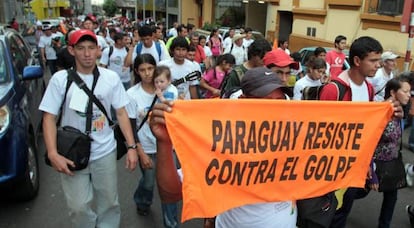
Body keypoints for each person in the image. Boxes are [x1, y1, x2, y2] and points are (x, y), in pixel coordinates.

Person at [149, 67, 297, 228]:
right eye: (265, 102)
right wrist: (164, 143)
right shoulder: (222, 143)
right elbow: (171, 194)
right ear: (243, 100)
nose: (275, 110)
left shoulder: (294, 137)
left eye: (280, 101)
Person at [39, 29, 138, 227]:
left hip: (105, 151)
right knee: (78, 206)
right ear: (71, 50)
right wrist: (52, 153)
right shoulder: (60, 80)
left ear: (98, 50)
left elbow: (121, 113)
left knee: (109, 202)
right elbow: (49, 118)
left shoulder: (110, 78)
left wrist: (132, 147)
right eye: (81, 48)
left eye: (91, 48)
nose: (87, 53)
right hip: (72, 153)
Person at [319, 36, 402, 228]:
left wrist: (384, 114)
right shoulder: (333, 89)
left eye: (379, 60)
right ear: (357, 61)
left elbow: (367, 127)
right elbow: (321, 132)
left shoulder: (369, 88)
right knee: (327, 215)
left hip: (355, 167)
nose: (377, 65)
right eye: (373, 61)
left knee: (342, 214)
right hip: (331, 169)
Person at [371, 76, 411, 228]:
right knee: (355, 194)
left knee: (391, 197)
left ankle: (384, 225)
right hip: (375, 163)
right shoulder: (381, 112)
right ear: (393, 93)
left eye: (410, 91)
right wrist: (372, 173)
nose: (409, 95)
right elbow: (370, 143)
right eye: (405, 91)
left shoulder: (400, 111)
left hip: (392, 162)